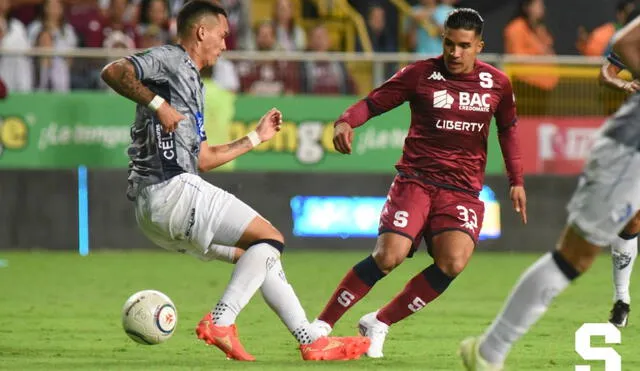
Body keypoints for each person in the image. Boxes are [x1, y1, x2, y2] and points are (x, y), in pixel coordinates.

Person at [100, 0, 369, 362]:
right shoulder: (171, 58)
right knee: (271, 238)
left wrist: (255, 138)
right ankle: (221, 320)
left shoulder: (193, 82)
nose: (225, 45)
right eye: (223, 36)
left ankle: (310, 339)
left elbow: (204, 159)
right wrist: (157, 105)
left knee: (259, 257)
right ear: (201, 32)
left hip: (154, 212)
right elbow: (114, 71)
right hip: (170, 188)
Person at [310, 8, 526, 359]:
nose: (454, 53)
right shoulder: (421, 74)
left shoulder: (497, 84)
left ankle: (379, 321)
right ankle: (320, 326)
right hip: (417, 180)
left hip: (462, 189)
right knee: (388, 256)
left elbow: (509, 130)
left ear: (479, 47)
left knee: (453, 262)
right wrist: (345, 121)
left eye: (463, 46)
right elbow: (374, 102)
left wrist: (517, 180)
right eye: (448, 43)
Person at [459, 15, 640, 371]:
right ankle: (490, 352)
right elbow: (624, 44)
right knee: (575, 255)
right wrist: (624, 85)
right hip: (630, 150)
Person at [598, 10, 640, 328]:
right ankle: (622, 299)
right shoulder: (633, 45)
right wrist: (621, 85)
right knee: (633, 217)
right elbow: (605, 74)